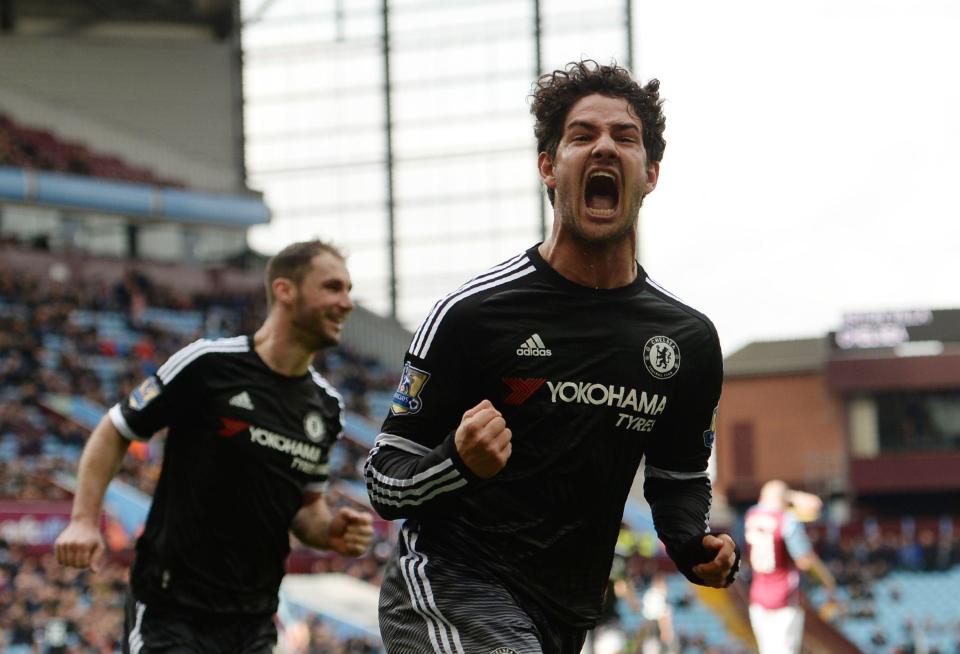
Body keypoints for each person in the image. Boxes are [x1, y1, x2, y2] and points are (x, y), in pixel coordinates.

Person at [364, 59, 739, 654]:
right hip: (450, 586)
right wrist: (455, 460)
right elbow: (385, 483)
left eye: (625, 137)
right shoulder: (471, 314)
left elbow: (678, 476)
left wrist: (693, 546)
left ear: (651, 173)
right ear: (548, 166)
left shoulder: (687, 339)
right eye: (582, 135)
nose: (605, 148)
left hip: (567, 615)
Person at [55, 240, 374, 654]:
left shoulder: (327, 408)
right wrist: (83, 519)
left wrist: (330, 532)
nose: (346, 303)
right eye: (333, 288)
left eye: (348, 290)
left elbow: (307, 510)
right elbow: (117, 428)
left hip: (254, 623)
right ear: (285, 290)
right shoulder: (208, 364)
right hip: (171, 614)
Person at [745, 480, 837, 654]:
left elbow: (770, 500)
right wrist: (827, 580)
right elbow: (805, 560)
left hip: (758, 595)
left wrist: (784, 495)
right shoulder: (787, 521)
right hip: (784, 597)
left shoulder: (751, 514)